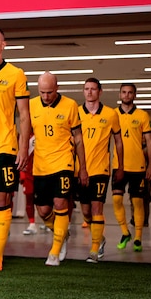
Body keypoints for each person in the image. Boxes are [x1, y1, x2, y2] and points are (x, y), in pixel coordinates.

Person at [0, 27, 30, 271]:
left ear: (4, 44)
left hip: (4, 147)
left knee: (2, 200)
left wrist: (23, 148)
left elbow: (24, 115)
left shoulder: (15, 74)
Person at [29, 71, 87, 266]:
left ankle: (54, 252)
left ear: (57, 89)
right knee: (43, 211)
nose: (46, 97)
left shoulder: (70, 106)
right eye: (42, 92)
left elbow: (78, 139)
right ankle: (61, 234)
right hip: (40, 166)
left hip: (63, 163)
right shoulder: (31, 105)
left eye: (50, 92)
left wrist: (83, 168)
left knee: (61, 203)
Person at [76, 77, 123, 263]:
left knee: (97, 208)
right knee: (86, 213)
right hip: (80, 170)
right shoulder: (77, 113)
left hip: (101, 170)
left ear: (100, 92)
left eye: (93, 89)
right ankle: (100, 238)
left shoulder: (111, 114)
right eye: (86, 89)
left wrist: (120, 165)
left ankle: (94, 249)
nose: (89, 92)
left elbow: (119, 141)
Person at [112, 83, 151, 252]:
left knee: (137, 202)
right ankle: (125, 232)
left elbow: (150, 142)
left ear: (134, 95)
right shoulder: (113, 114)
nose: (127, 95)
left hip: (138, 167)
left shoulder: (143, 115)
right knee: (116, 199)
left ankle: (137, 238)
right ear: (120, 94)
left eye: (130, 92)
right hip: (118, 165)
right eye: (124, 92)